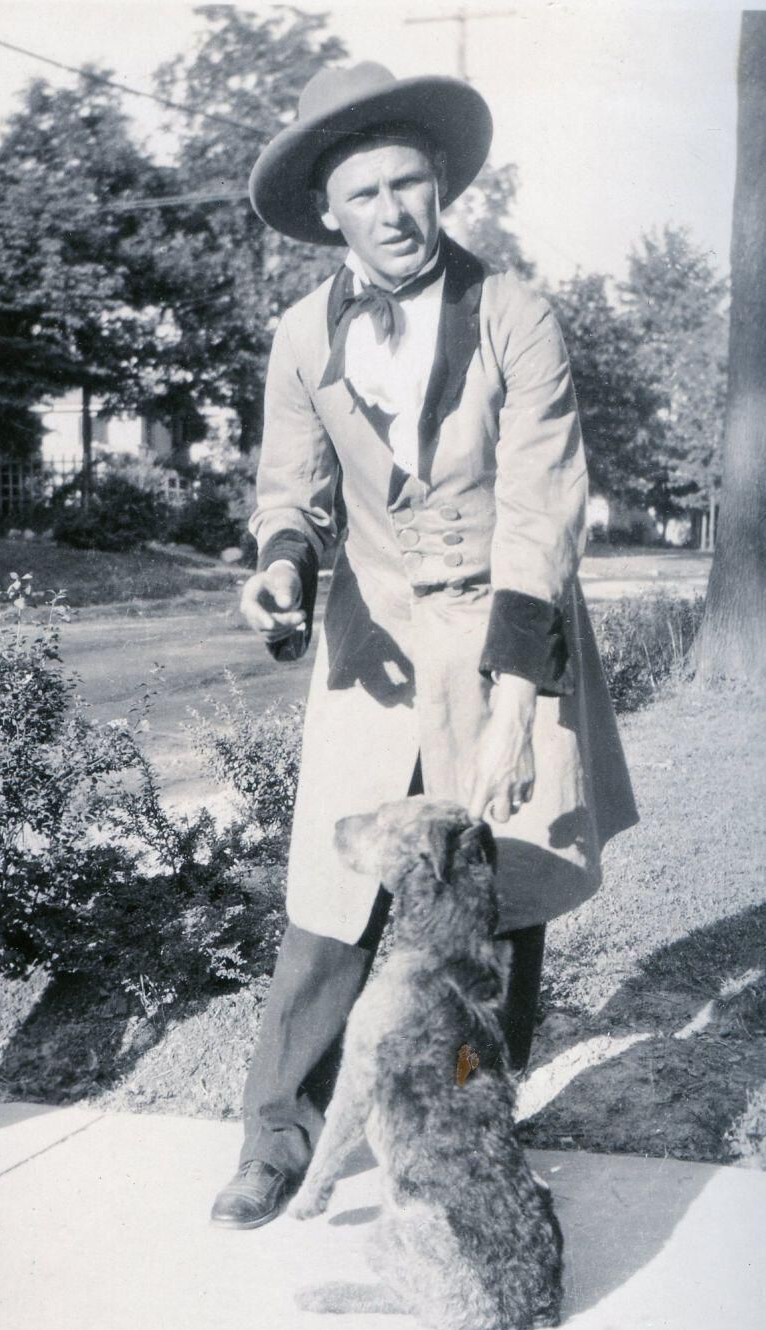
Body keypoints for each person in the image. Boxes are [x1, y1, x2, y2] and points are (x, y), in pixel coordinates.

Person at [210, 61, 637, 1229]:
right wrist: (282, 570)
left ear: (439, 181)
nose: (394, 211)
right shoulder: (302, 336)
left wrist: (514, 701)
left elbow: (540, 506)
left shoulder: (515, 314)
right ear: (329, 213)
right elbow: (290, 494)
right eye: (366, 194)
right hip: (376, 645)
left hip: (506, 631)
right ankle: (276, 1139)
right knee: (331, 895)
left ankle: (467, 1132)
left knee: (496, 901)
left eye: (409, 183)